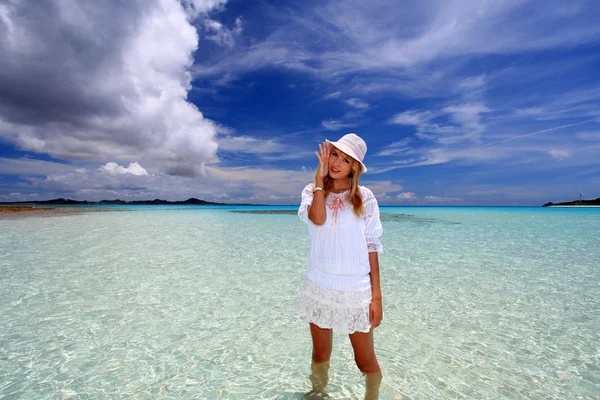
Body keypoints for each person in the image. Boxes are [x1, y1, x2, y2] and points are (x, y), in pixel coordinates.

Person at [296, 133, 384, 400]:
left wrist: (376, 297)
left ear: (354, 167)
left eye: (346, 160)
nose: (337, 163)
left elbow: (371, 246)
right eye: (335, 154)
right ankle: (318, 394)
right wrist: (319, 182)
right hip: (320, 284)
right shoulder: (311, 192)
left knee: (364, 360)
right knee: (320, 354)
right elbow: (318, 220)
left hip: (355, 288)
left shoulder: (364, 197)